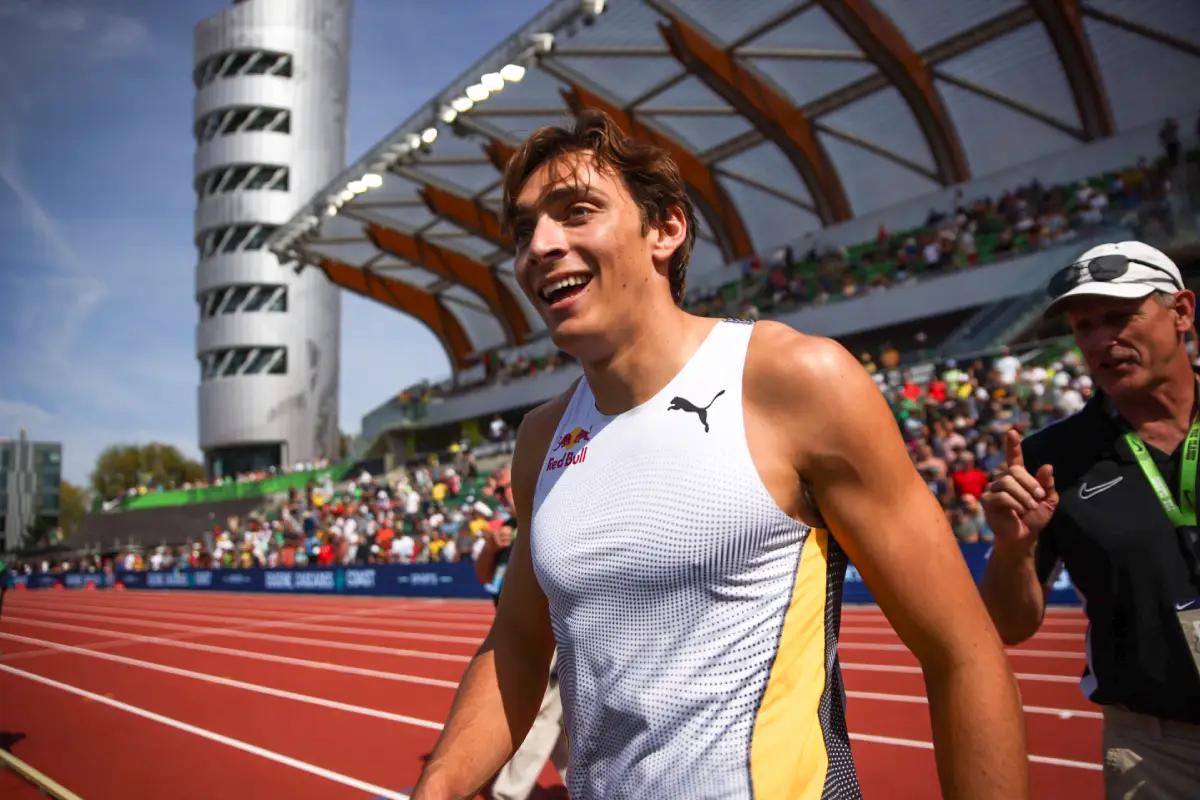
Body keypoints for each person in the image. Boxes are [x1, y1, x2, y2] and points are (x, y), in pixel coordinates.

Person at [412, 110, 1028, 800]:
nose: (540, 246)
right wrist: (436, 787)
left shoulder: (793, 380)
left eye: (575, 212)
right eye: (524, 230)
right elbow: (520, 642)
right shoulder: (541, 439)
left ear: (666, 229)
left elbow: (962, 651)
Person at [980, 241, 1200, 799]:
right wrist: (1013, 548)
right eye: (1086, 327)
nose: (1103, 341)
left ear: (1181, 312)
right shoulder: (1049, 459)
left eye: (1120, 317)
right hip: (1157, 750)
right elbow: (1011, 626)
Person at [473, 516, 568, 800]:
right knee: (556, 718)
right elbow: (484, 577)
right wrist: (490, 548)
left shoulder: (550, 513)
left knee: (545, 713)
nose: (506, 494)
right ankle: (584, 785)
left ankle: (507, 794)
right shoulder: (509, 525)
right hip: (516, 632)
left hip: (546, 630)